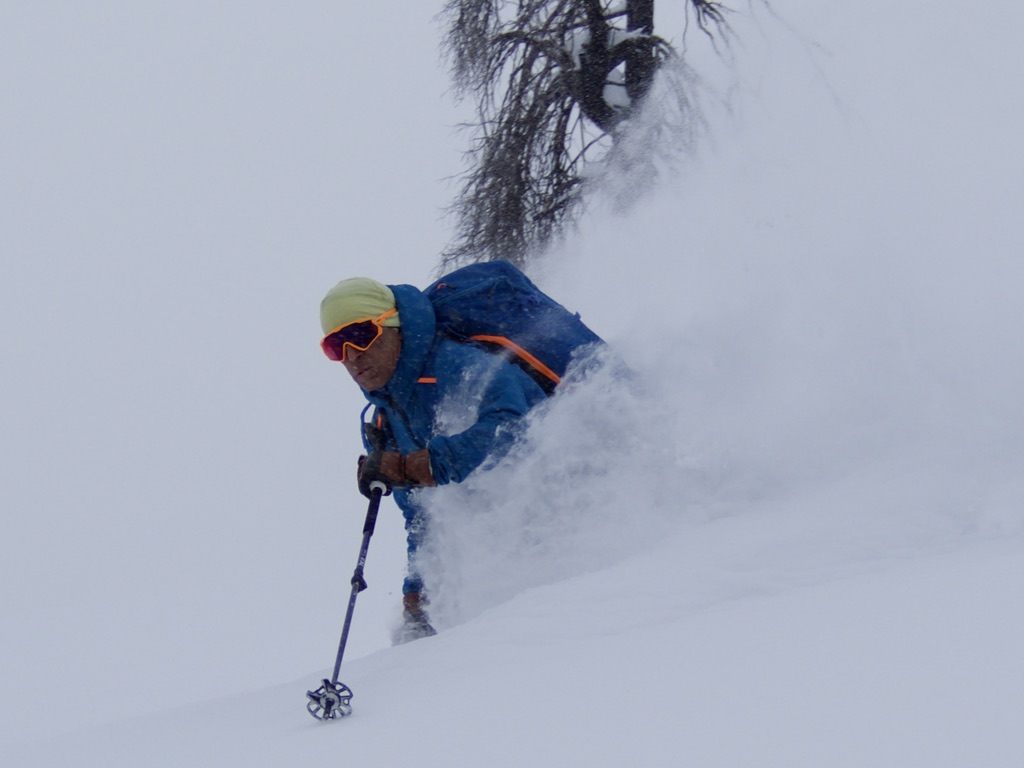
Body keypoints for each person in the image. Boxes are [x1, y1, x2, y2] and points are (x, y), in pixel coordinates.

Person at [319, 276, 549, 641]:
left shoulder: (455, 363)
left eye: (360, 335)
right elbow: (421, 514)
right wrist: (418, 593)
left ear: (393, 326)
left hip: (568, 502)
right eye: (335, 347)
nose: (350, 356)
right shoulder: (387, 417)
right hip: (511, 546)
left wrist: (418, 467)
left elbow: (514, 426)